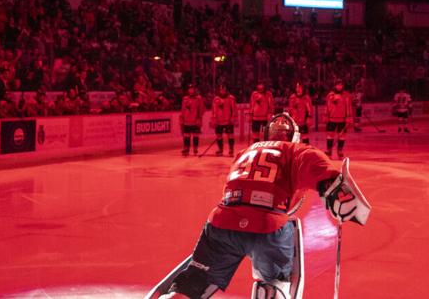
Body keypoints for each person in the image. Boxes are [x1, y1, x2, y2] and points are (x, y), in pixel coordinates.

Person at [148, 113, 370, 299]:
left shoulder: (246, 151)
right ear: (294, 136)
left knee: (195, 281)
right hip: (268, 225)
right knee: (274, 284)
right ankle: (270, 290)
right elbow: (323, 172)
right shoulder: (297, 150)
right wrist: (337, 193)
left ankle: (182, 292)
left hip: (223, 220)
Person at [324, 81, 352, 158]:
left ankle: (340, 151)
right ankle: (329, 150)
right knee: (330, 135)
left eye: (341, 85)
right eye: (338, 85)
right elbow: (327, 106)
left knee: (342, 136)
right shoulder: (330, 95)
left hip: (342, 119)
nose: (339, 87)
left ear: (343, 86)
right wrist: (325, 115)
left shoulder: (346, 96)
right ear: (335, 86)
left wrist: (349, 117)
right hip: (331, 119)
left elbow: (348, 107)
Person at [212, 86, 237, 157]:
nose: (222, 91)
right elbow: (214, 110)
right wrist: (214, 119)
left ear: (226, 90)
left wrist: (233, 118)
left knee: (230, 135)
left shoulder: (231, 98)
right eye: (221, 90)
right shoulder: (216, 99)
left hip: (228, 120)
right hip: (219, 121)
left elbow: (234, 109)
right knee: (219, 136)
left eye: (223, 90)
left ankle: (231, 150)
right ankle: (220, 150)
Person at [181, 85, 206, 156]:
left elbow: (202, 109)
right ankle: (186, 148)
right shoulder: (185, 98)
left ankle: (195, 148)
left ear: (194, 90)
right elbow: (183, 109)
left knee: (195, 135)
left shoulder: (198, 98)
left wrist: (199, 117)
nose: (191, 90)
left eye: (192, 89)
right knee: (186, 135)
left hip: (195, 120)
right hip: (186, 120)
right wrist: (182, 118)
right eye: (189, 89)